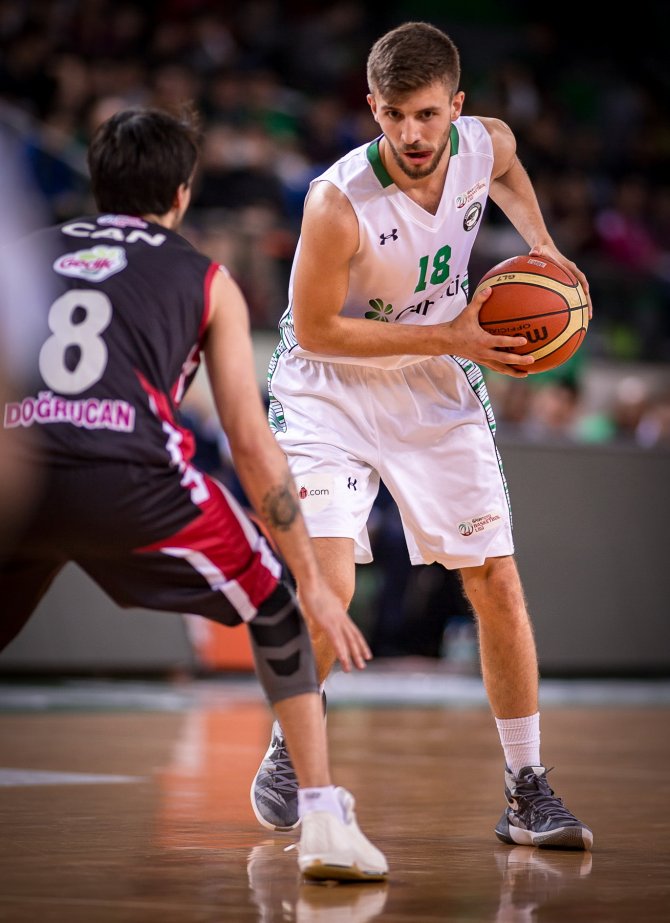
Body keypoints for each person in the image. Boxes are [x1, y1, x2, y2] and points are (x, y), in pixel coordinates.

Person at [0, 106, 388, 883]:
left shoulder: (27, 252)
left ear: (96, 183)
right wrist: (313, 578)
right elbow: (249, 441)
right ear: (181, 194)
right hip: (133, 481)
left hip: (26, 467)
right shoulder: (206, 276)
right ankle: (320, 816)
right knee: (275, 605)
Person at [251, 21, 594, 851]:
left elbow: (509, 169)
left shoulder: (488, 143)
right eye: (395, 114)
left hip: (435, 379)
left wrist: (544, 246)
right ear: (373, 107)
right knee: (327, 580)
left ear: (457, 109)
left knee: (497, 584)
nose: (411, 133)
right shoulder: (337, 202)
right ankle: (290, 749)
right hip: (329, 387)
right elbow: (319, 331)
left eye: (428, 115)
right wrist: (452, 337)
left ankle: (526, 789)